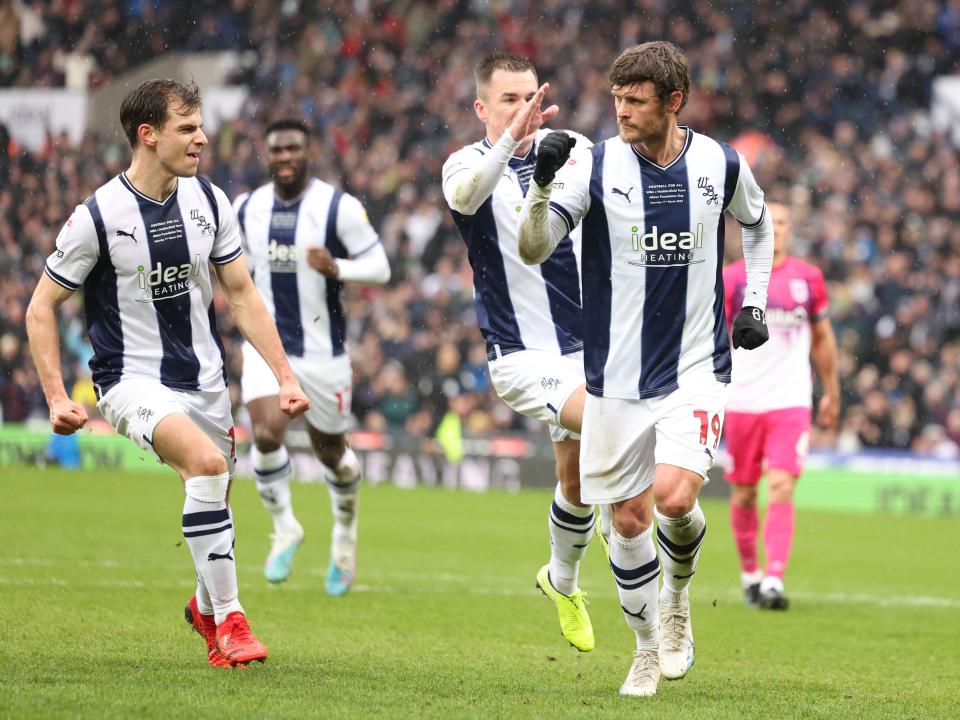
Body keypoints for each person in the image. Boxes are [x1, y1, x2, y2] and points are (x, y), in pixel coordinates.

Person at [518, 41, 774, 697]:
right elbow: (534, 247)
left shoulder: (719, 162)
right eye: (617, 100)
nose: (623, 112)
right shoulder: (596, 166)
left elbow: (760, 223)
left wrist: (754, 302)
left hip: (695, 364)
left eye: (635, 101)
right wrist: (542, 186)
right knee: (629, 521)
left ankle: (678, 599)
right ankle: (644, 649)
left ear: (673, 101)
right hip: (615, 374)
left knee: (675, 499)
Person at [25, 79, 310, 669]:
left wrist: (284, 374)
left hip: (204, 379)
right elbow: (40, 306)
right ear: (147, 135)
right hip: (130, 379)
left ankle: (206, 609)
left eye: (200, 125)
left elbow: (242, 294)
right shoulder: (97, 216)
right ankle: (232, 621)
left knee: (217, 501)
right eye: (188, 127)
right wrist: (56, 395)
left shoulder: (208, 202)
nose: (202, 138)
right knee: (205, 468)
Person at [442, 53, 598, 652]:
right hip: (522, 355)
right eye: (509, 99)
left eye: (531, 96)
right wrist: (511, 139)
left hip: (591, 347)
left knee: (577, 483)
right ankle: (628, 535)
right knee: (611, 426)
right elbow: (465, 196)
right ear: (482, 108)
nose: (524, 108)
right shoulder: (466, 163)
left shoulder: (574, 148)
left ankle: (560, 580)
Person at [234, 118, 390, 594]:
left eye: (293, 150)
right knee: (263, 433)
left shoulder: (337, 208)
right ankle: (285, 527)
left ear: (309, 152)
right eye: (277, 149)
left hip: (323, 353)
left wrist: (337, 266)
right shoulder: (246, 208)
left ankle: (344, 537)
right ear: (267, 153)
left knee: (332, 455)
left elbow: (381, 267)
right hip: (267, 347)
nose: (284, 157)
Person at [723, 200, 839, 610]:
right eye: (771, 220)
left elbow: (823, 338)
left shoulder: (809, 278)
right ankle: (751, 573)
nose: (778, 228)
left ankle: (773, 579)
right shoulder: (732, 279)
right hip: (742, 401)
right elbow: (713, 339)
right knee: (743, 495)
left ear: (792, 229)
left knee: (781, 487)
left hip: (790, 401)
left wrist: (831, 390)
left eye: (785, 221)